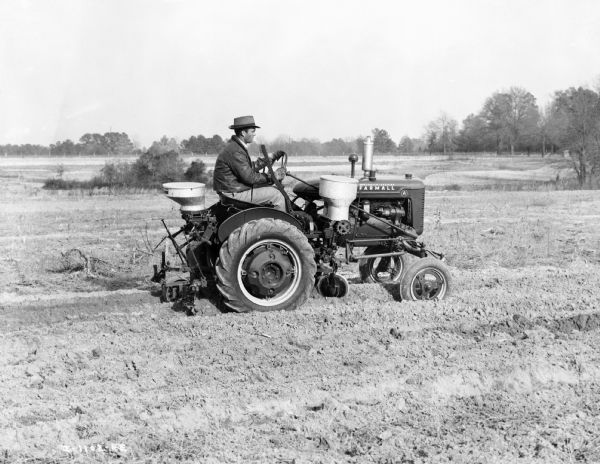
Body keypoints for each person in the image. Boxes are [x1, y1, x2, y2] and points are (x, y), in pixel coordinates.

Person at [213, 115, 287, 211]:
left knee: (270, 189)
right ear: (243, 133)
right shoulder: (236, 150)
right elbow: (250, 178)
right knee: (277, 195)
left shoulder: (235, 147)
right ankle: (282, 225)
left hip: (232, 191)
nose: (254, 134)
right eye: (252, 131)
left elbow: (247, 167)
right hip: (233, 194)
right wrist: (272, 177)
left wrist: (270, 158)